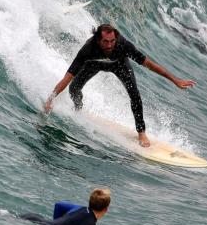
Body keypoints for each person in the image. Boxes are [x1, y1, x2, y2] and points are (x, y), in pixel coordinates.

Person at [43, 24, 196, 147]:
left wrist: (175, 80)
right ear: (98, 40)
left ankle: (141, 132)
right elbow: (68, 77)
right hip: (94, 64)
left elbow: (149, 64)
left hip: (119, 65)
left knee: (134, 94)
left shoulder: (123, 45)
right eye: (105, 42)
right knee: (74, 88)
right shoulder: (88, 50)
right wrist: (51, 98)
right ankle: (78, 109)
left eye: (112, 41)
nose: (109, 45)